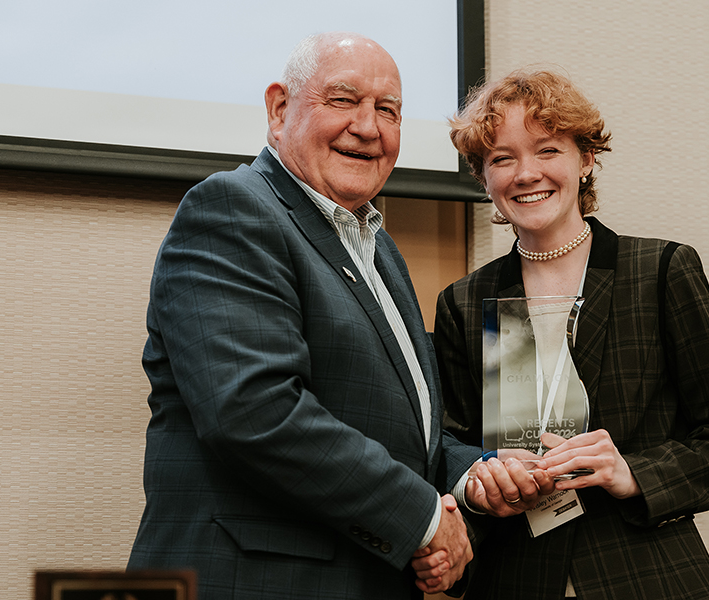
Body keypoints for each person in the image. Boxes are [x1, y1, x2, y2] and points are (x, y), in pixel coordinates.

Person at [127, 32, 524, 599]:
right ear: (278, 109)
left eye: (388, 110)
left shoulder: (378, 249)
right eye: (342, 100)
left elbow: (396, 427)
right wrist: (425, 519)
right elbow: (255, 411)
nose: (367, 127)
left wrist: (471, 473)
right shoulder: (232, 209)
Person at [433, 68, 709, 599]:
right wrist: (480, 482)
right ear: (483, 177)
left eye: (548, 150)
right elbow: (447, 447)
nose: (526, 173)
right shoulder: (464, 302)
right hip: (515, 576)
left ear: (586, 159)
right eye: (502, 159)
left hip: (647, 577)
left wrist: (631, 473)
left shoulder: (659, 271)